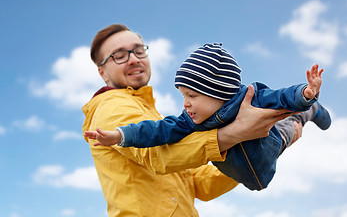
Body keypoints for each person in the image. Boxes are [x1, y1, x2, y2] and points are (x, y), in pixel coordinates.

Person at [82, 24, 303, 217]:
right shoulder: (111, 106)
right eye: (119, 55)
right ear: (102, 73)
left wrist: (257, 148)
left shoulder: (150, 113)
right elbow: (157, 155)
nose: (133, 59)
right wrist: (237, 132)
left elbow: (200, 183)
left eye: (139, 51)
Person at [84, 43, 331, 191]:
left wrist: (306, 93)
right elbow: (155, 131)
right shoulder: (188, 121)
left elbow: (281, 96)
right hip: (250, 175)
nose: (185, 104)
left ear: (218, 92)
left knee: (288, 123)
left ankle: (310, 111)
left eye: (192, 95)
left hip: (271, 145)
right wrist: (119, 135)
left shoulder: (252, 97)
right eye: (182, 95)